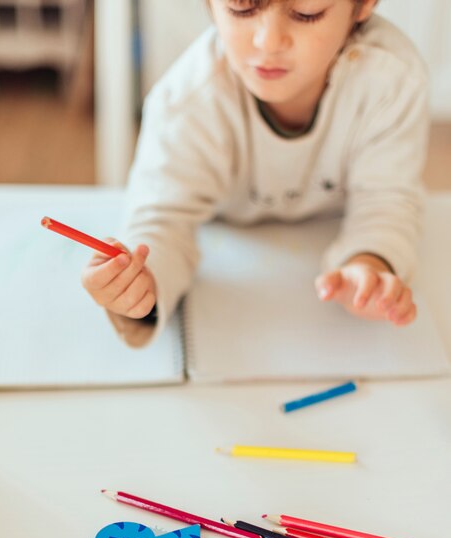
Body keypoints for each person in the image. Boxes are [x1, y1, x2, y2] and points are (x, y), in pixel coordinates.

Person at [82, 0, 429, 348]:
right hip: (230, 254)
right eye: (241, 8)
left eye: (308, 13)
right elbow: (161, 222)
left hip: (325, 257)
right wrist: (138, 286)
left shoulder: (392, 80)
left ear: (363, 6)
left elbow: (387, 201)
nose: (269, 41)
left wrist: (370, 261)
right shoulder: (186, 103)